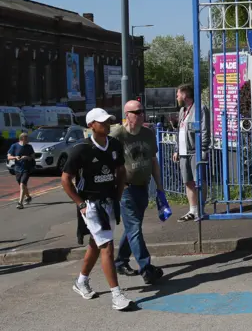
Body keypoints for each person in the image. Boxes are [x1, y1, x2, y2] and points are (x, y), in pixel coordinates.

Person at [61, 108, 133, 311]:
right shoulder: (80, 149)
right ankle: (117, 295)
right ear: (91, 125)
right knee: (107, 247)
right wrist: (80, 204)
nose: (107, 124)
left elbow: (120, 171)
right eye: (102, 122)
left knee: (96, 243)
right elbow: (65, 180)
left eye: (109, 121)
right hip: (90, 204)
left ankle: (81, 281)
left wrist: (118, 196)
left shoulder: (115, 145)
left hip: (109, 201)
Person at [110, 99, 164, 284]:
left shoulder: (148, 133)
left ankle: (120, 261)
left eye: (142, 111)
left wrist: (160, 188)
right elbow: (108, 161)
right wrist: (117, 184)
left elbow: (154, 161)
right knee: (134, 228)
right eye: (137, 112)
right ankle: (146, 268)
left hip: (143, 185)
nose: (142, 115)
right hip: (126, 189)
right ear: (127, 115)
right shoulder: (118, 134)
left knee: (133, 228)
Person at [172, 83, 211, 222]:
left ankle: (201, 209)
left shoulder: (200, 109)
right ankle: (192, 210)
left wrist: (204, 150)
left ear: (184, 94)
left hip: (196, 151)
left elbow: (205, 131)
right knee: (188, 181)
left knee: (199, 181)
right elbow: (180, 130)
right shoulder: (183, 110)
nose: (177, 97)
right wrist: (177, 149)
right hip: (184, 152)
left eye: (178, 94)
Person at [7, 133, 35, 209]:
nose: (28, 140)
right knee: (23, 185)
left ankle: (20, 203)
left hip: (27, 169)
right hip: (17, 169)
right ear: (22, 138)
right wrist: (15, 157)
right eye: (27, 138)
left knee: (22, 184)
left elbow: (33, 157)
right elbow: (9, 157)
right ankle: (28, 197)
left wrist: (27, 157)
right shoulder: (14, 146)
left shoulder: (29, 147)